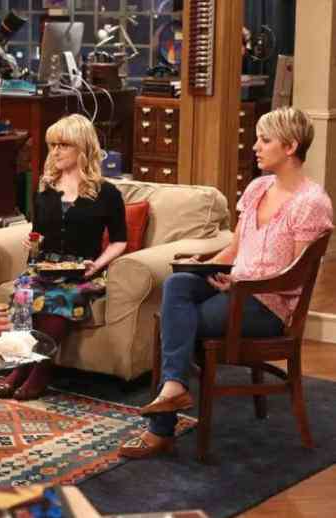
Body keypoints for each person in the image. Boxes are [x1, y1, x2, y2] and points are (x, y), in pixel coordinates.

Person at [121, 107, 333, 459]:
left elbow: (295, 275)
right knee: (178, 285)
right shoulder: (257, 188)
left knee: (177, 322)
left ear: (291, 146)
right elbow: (235, 249)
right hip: (235, 288)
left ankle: (161, 428)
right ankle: (174, 387)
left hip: (268, 305)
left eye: (265, 140)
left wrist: (239, 285)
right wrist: (202, 266)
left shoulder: (312, 203)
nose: (255, 146)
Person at [0, 114, 128, 400]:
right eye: (52, 145)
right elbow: (39, 234)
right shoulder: (45, 189)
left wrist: (97, 265)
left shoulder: (106, 193)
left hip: (83, 271)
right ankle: (20, 366)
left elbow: (120, 241)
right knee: (24, 294)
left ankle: (40, 372)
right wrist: (33, 241)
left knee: (59, 298)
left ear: (82, 148)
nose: (55, 152)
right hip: (45, 266)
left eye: (63, 145)